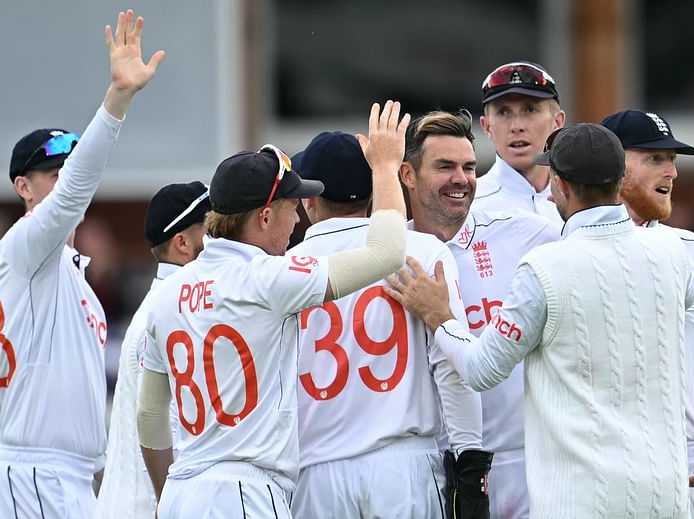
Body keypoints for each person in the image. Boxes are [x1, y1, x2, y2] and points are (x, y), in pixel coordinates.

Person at [387, 123, 694, 518]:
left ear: (560, 185)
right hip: (665, 493)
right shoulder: (672, 251)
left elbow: (481, 370)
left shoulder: (545, 266)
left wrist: (441, 317)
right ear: (620, 182)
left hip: (582, 498)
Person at [137, 101, 411, 518]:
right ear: (264, 217)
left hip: (182, 492)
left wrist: (169, 494)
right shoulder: (268, 279)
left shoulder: (167, 292)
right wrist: (387, 166)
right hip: (245, 491)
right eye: (289, 209)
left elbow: (151, 415)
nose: (297, 222)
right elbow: (387, 252)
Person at [0, 10, 164, 518]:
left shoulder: (72, 273)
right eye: (53, 172)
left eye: (70, 168)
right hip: (36, 475)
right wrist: (117, 102)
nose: (67, 180)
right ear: (23, 187)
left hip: (70, 477)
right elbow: (71, 197)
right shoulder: (22, 248)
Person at [288, 131, 485, 518]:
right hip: (403, 469)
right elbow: (452, 369)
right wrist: (469, 462)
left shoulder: (282, 271)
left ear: (308, 201)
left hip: (315, 473)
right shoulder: (423, 252)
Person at [399, 109, 560, 519]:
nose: (462, 179)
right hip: (427, 470)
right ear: (408, 175)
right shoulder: (387, 255)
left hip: (527, 465)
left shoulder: (528, 233)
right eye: (445, 166)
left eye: (470, 167)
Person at [600, 109, 694, 518]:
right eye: (654, 158)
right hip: (603, 465)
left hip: (687, 464)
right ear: (613, 163)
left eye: (672, 160)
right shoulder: (567, 252)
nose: (672, 172)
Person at [96, 181, 211, 518]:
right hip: (146, 506)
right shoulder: (169, 311)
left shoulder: (168, 305)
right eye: (212, 230)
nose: (221, 241)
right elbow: (162, 422)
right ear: (183, 243)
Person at [472, 61, 565, 223]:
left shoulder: (583, 201)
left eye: (530, 110)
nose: (517, 127)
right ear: (487, 127)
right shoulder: (468, 207)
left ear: (557, 122)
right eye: (503, 112)